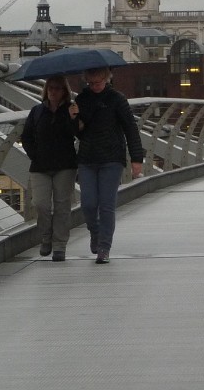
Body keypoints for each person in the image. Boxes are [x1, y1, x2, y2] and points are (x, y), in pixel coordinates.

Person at [74, 67, 145, 264]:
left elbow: (130, 128)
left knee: (106, 205)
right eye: (90, 83)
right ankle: (95, 231)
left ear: (106, 79)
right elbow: (78, 133)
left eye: (98, 82)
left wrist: (136, 159)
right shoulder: (81, 99)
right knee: (88, 204)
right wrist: (74, 119)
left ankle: (104, 247)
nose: (94, 86)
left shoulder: (117, 99)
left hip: (112, 158)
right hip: (87, 158)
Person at [20, 74, 79, 262]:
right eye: (51, 88)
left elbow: (79, 134)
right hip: (40, 166)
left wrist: (74, 119)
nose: (53, 92)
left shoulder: (71, 110)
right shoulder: (37, 111)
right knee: (41, 204)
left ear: (64, 91)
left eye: (57, 88)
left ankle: (60, 246)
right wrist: (34, 155)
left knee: (62, 206)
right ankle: (46, 237)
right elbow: (26, 136)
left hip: (65, 165)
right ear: (46, 90)